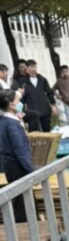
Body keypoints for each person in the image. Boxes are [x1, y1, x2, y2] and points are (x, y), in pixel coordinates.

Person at [0, 91, 35, 222]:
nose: (20, 103)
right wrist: (33, 170)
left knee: (20, 200)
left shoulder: (5, 121)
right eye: (17, 101)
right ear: (10, 105)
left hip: (10, 165)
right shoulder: (12, 124)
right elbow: (20, 150)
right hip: (17, 166)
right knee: (24, 202)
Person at [18, 60, 55, 132]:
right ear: (27, 69)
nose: (33, 69)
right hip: (33, 111)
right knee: (35, 131)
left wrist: (53, 105)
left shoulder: (42, 79)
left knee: (47, 130)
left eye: (35, 66)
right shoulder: (23, 82)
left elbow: (49, 92)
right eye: (31, 67)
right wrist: (19, 111)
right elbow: (21, 98)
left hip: (45, 109)